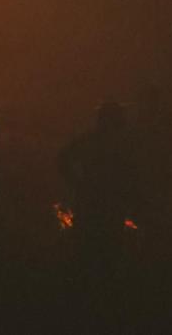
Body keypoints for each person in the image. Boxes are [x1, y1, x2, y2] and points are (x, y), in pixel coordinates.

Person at [58, 102, 137, 271]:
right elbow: (63, 159)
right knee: (102, 247)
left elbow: (63, 158)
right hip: (102, 201)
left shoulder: (96, 141)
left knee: (93, 247)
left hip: (98, 200)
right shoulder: (116, 144)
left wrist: (77, 182)